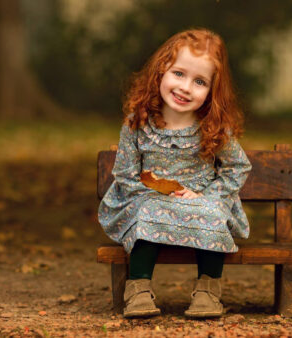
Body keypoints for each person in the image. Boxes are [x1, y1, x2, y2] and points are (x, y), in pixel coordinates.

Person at [98, 28, 251, 318]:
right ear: (160, 72)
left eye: (199, 81)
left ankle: (208, 292)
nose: (185, 87)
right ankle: (138, 290)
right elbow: (125, 173)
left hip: (199, 198)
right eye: (178, 74)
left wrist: (209, 195)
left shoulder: (212, 127)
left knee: (213, 214)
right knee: (148, 212)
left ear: (212, 91)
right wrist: (151, 192)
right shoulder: (138, 122)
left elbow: (237, 166)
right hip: (150, 196)